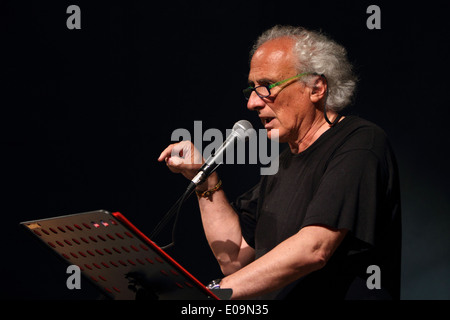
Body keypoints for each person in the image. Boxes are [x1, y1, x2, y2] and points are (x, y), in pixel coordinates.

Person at [158, 25, 401, 300]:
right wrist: (204, 179)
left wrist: (213, 294)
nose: (252, 103)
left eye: (266, 86)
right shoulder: (283, 165)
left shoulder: (360, 142)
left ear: (316, 88)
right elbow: (235, 256)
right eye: (251, 89)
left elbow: (314, 248)